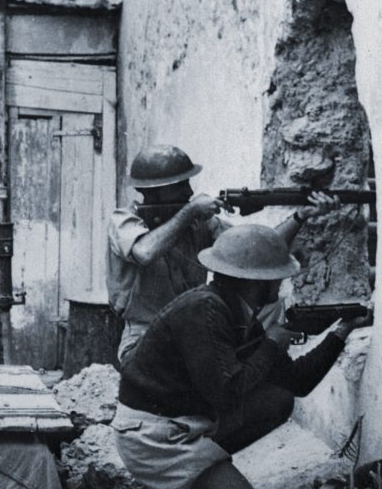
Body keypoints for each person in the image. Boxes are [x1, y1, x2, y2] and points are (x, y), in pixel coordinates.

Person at [84, 225, 372, 489]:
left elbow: (297, 382)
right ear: (256, 282)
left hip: (179, 426)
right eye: (276, 278)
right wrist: (272, 344)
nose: (280, 285)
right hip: (154, 437)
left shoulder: (233, 311)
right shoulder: (204, 310)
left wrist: (341, 332)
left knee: (277, 401)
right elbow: (226, 393)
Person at [107, 144, 339, 361]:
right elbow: (145, 252)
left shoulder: (200, 223)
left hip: (193, 329)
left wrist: (300, 216)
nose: (189, 191)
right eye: (179, 186)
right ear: (154, 191)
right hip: (145, 334)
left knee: (269, 311)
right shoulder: (124, 220)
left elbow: (258, 251)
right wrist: (190, 211)